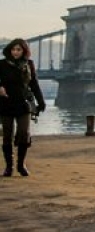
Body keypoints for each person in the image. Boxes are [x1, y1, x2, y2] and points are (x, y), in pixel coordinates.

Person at [0, 38, 46, 177]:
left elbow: (34, 84)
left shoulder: (29, 64)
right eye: (13, 49)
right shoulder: (1, 64)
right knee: (7, 136)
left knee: (24, 134)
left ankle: (21, 165)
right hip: (5, 103)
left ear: (24, 51)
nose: (15, 52)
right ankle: (9, 167)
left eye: (19, 50)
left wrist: (41, 102)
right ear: (9, 50)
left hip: (23, 104)